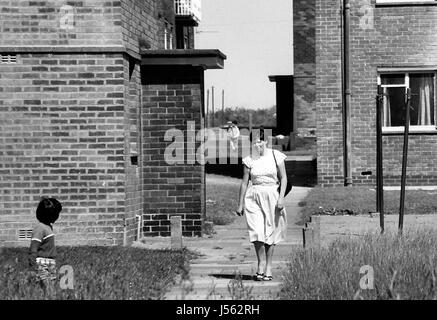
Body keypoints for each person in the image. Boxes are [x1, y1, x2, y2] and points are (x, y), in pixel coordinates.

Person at [236, 128, 288, 281]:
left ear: (266, 141)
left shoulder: (275, 155)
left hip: (272, 194)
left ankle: (269, 267)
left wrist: (281, 198)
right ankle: (260, 264)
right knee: (257, 231)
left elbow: (283, 178)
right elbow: (245, 183)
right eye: (254, 141)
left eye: (260, 140)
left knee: (270, 231)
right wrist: (240, 204)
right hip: (253, 196)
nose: (257, 144)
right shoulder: (249, 159)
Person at [29, 197, 62, 283]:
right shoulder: (40, 228)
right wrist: (32, 260)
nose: (58, 216)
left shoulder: (48, 227)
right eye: (56, 214)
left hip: (50, 263)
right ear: (50, 215)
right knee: (44, 285)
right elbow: (34, 245)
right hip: (42, 263)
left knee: (51, 286)